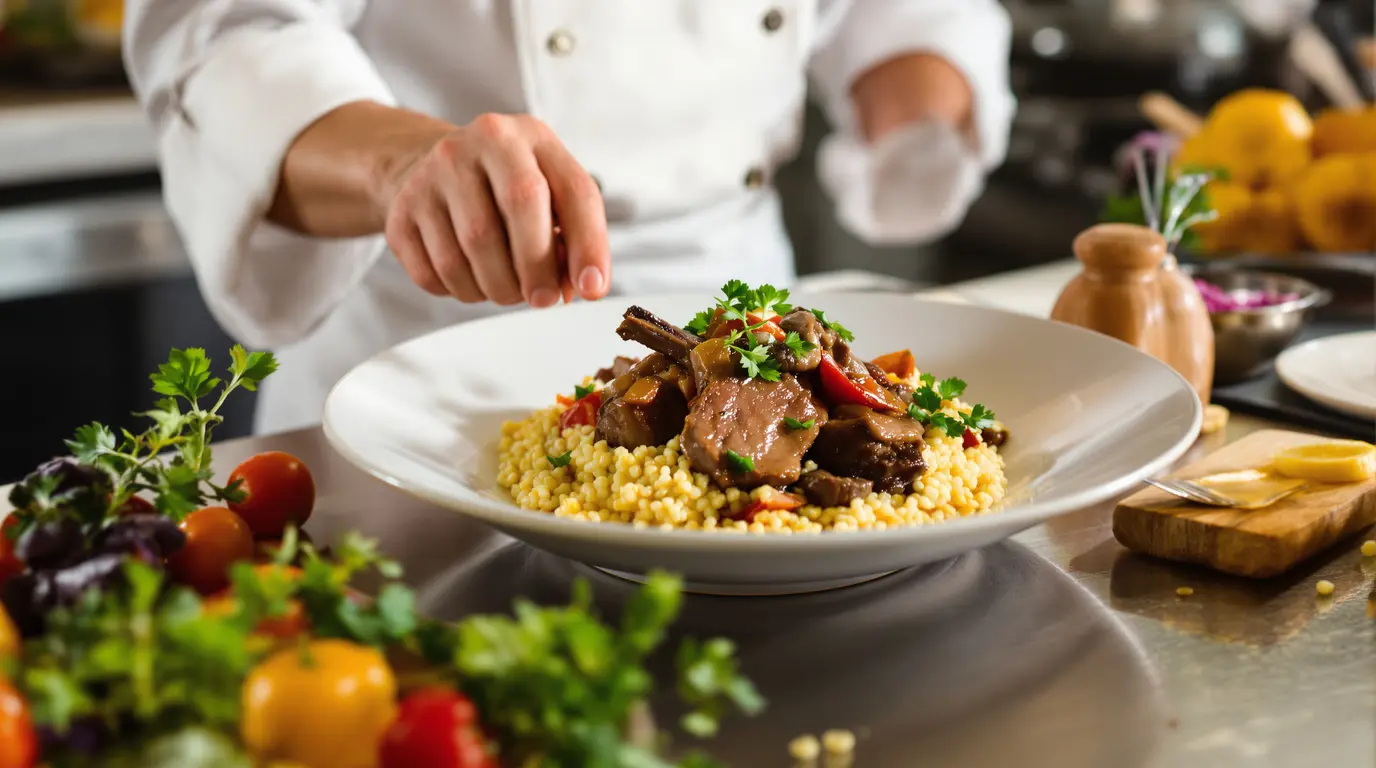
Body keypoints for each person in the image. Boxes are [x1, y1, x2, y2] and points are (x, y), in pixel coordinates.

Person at [123, 1, 1015, 435]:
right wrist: (404, 166)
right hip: (432, 353)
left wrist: (915, 94)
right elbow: (224, 34)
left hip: (750, 320)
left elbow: (900, 13)